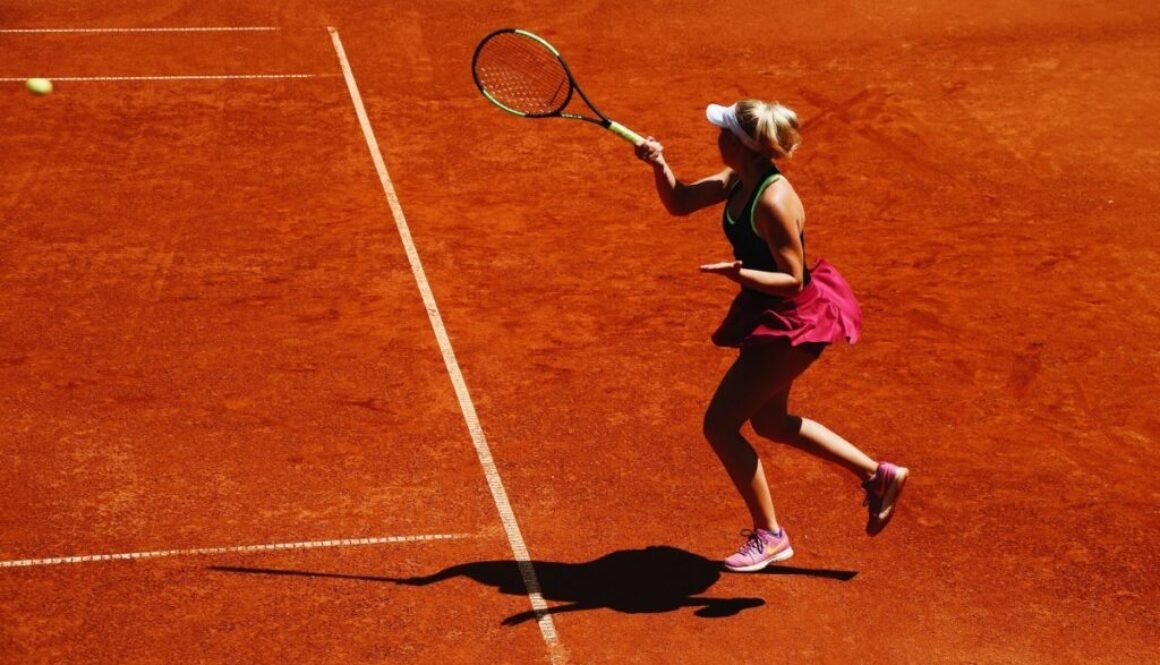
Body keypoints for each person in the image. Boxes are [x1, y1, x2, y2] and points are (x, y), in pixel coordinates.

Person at [634, 99, 909, 572]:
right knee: (770, 423)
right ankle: (877, 474)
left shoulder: (774, 200)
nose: (715, 135)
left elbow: (794, 279)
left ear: (741, 144)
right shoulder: (737, 177)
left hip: (793, 320)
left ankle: (771, 534)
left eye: (723, 130)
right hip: (772, 312)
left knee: (720, 425)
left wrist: (740, 275)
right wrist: (660, 165)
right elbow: (680, 202)